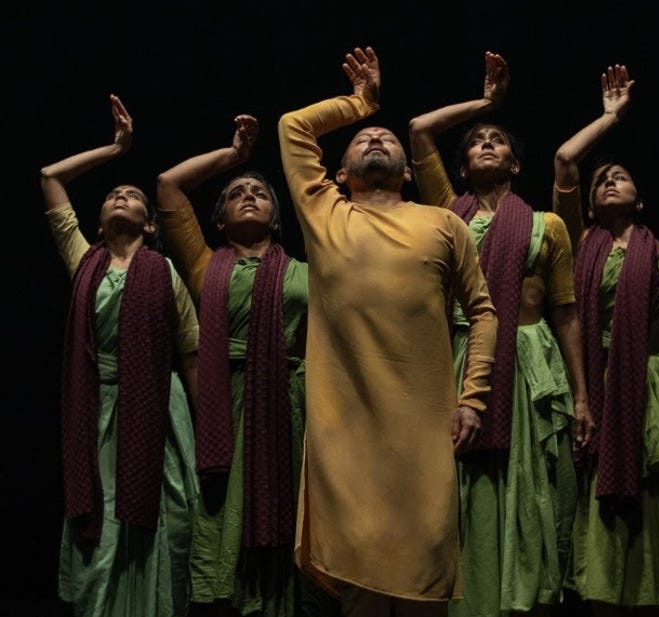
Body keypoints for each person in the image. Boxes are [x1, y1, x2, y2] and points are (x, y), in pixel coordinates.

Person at [277, 46, 498, 617]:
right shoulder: (324, 212)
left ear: (408, 171)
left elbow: (483, 313)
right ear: (341, 172)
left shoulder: (443, 222)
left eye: (388, 140)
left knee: (424, 573)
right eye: (361, 141)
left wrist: (473, 399)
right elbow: (293, 127)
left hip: (426, 425)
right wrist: (359, 103)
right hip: (344, 426)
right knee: (360, 582)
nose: (375, 139)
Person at [408, 51, 594, 616]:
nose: (486, 142)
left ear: (515, 164)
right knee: (459, 479)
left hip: (529, 358)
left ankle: (521, 595)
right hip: (460, 355)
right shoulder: (445, 212)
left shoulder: (547, 225)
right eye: (477, 140)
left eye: (497, 138)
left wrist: (583, 395)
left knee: (527, 484)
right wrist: (486, 103)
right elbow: (418, 130)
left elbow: (566, 312)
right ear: (461, 167)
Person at [156, 116, 337, 617]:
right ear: (219, 220)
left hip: (291, 404)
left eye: (260, 190)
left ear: (278, 219)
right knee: (225, 515)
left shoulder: (307, 269)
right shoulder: (203, 265)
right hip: (224, 405)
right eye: (238, 192)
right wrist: (233, 156)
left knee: (294, 512)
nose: (251, 194)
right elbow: (169, 186)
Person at [553, 64, 659, 617]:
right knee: (600, 521)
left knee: (658, 523)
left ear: (640, 201)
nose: (608, 181)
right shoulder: (576, 244)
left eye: (619, 176)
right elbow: (566, 160)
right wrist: (610, 117)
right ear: (590, 205)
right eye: (602, 182)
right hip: (599, 393)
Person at [40, 94, 200, 617]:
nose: (120, 197)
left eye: (132, 195)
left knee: (171, 513)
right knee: (102, 525)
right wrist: (114, 149)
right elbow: (50, 178)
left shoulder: (163, 272)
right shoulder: (84, 262)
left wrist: (207, 427)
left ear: (150, 225)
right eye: (112, 194)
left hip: (159, 409)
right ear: (101, 218)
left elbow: (191, 350)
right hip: (99, 408)